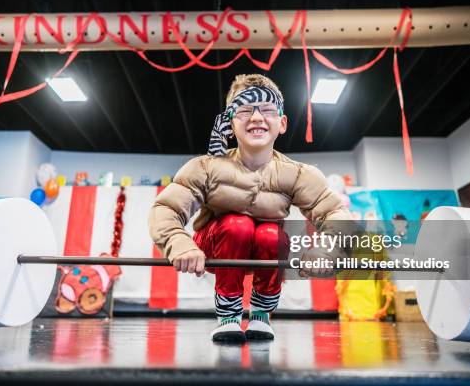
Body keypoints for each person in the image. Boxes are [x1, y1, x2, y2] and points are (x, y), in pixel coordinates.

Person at [148, 74, 351, 343]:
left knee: (270, 233)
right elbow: (165, 208)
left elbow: (336, 213)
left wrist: (327, 250)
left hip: (266, 250)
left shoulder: (299, 174)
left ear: (282, 123)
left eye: (267, 110)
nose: (256, 118)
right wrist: (179, 242)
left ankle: (261, 315)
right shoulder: (205, 167)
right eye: (244, 110)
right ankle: (228, 316)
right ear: (230, 123)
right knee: (237, 225)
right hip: (216, 246)